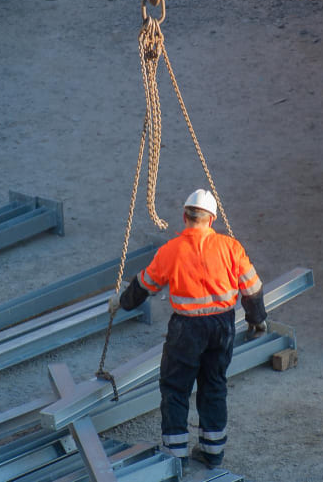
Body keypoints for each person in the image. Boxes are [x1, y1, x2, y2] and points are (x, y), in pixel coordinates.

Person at [109, 188, 268, 469]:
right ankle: (212, 452)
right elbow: (252, 288)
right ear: (212, 220)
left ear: (185, 216)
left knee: (175, 388)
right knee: (214, 385)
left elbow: (145, 285)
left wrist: (121, 302)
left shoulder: (170, 251)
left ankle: (175, 455)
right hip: (222, 326)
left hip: (187, 328)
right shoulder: (230, 247)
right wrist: (256, 319)